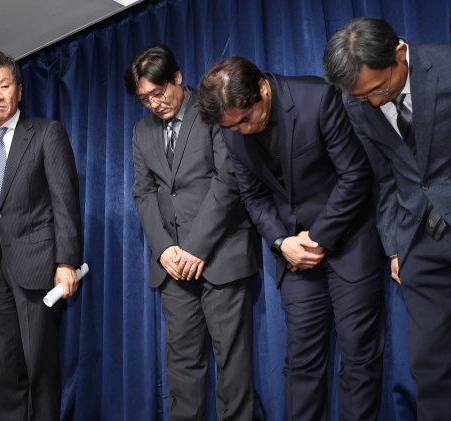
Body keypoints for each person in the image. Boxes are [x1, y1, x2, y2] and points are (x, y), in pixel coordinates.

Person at [197, 56, 387, 421]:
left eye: (244, 120)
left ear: (261, 90)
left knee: (359, 359)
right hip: (294, 258)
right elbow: (252, 197)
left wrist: (318, 237)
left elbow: (356, 176)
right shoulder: (231, 128)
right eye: (230, 127)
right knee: (300, 364)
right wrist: (281, 243)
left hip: (350, 244)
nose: (240, 131)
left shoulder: (317, 98)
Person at [323, 17, 451, 420]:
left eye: (380, 89)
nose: (375, 103)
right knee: (430, 366)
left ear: (399, 54)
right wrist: (395, 246)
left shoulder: (446, 65)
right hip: (419, 239)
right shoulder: (356, 101)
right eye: (365, 97)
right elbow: (384, 176)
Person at [125, 45, 260, 421]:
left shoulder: (213, 111)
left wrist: (196, 247)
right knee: (181, 362)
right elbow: (144, 192)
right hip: (173, 267)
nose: (153, 103)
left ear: (177, 78)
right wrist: (165, 249)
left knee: (231, 363)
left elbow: (228, 180)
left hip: (220, 255)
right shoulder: (141, 132)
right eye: (144, 99)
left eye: (159, 92)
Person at [0, 51, 83, 420]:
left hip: (39, 270)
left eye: (4, 85)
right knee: (4, 373)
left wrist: (66, 262)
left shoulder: (47, 132)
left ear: (18, 90)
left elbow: (65, 201)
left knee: (40, 368)